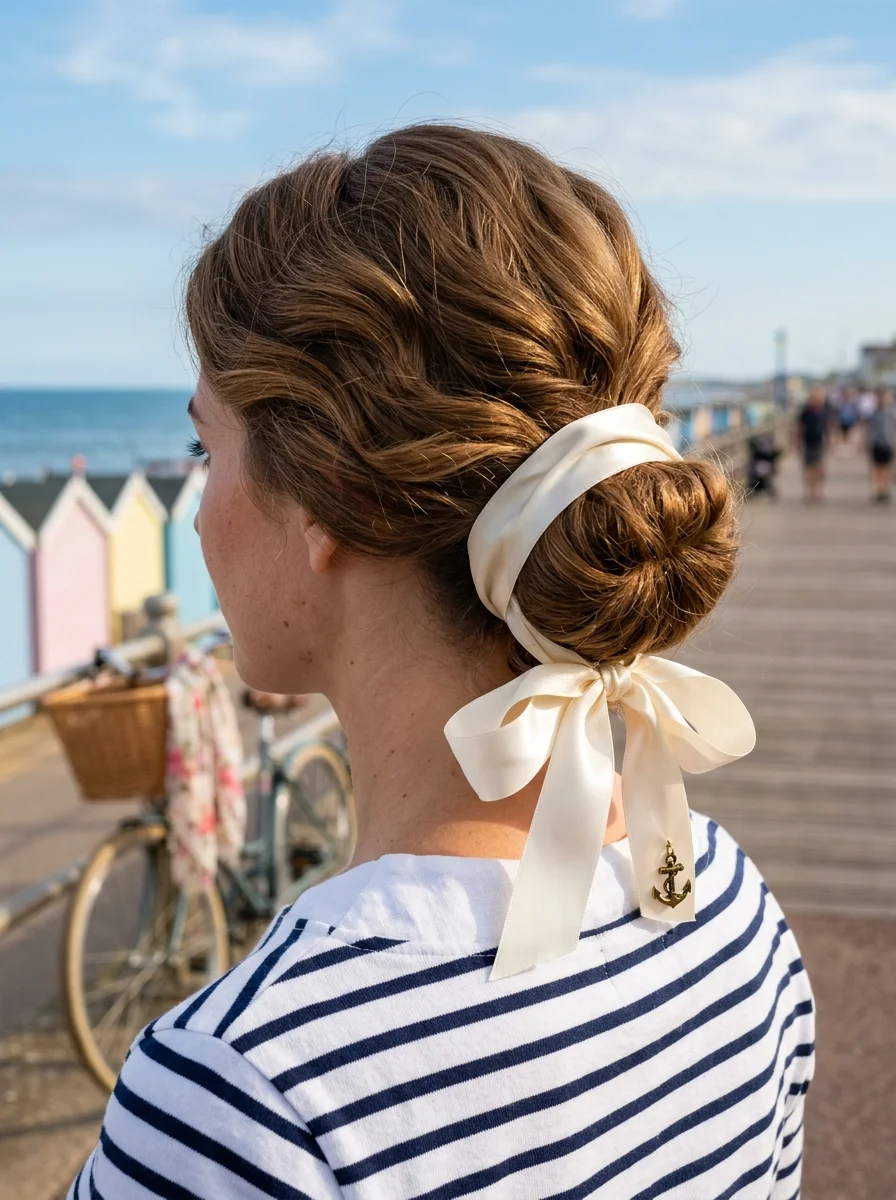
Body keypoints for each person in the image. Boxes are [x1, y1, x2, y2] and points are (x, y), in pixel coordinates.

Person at [70, 126, 813, 1199]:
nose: (198, 511)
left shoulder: (245, 1101)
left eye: (205, 449)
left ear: (319, 495)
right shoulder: (728, 911)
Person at [796, 385, 830, 501]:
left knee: (819, 469)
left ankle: (818, 492)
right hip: (808, 443)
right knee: (808, 469)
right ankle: (808, 492)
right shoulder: (806, 412)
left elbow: (827, 427)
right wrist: (798, 443)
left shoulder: (823, 412)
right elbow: (800, 428)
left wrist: (830, 442)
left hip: (819, 443)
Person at [867, 387, 896, 502]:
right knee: (877, 469)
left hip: (888, 443)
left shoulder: (892, 413)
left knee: (887, 468)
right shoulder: (874, 413)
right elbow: (869, 429)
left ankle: (885, 490)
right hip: (877, 443)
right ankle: (879, 490)